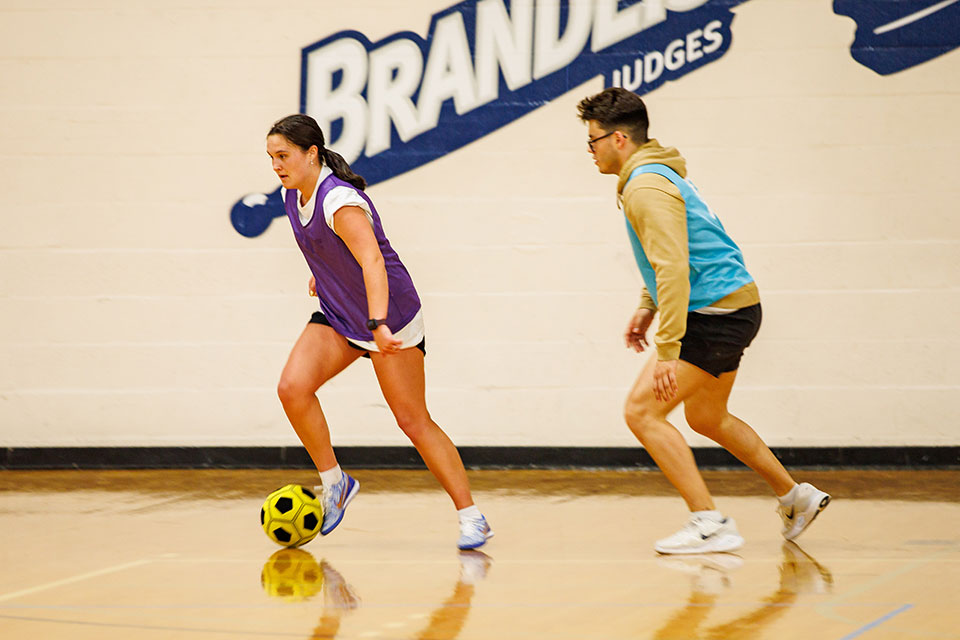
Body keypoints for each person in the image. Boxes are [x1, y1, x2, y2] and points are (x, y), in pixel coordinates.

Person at [576, 88, 830, 554]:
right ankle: (796, 497)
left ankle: (709, 523)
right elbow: (674, 256)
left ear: (617, 139)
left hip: (714, 312)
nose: (588, 152)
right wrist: (646, 305)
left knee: (641, 412)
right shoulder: (655, 174)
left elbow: (673, 267)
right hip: (734, 305)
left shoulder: (645, 187)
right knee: (707, 416)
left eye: (591, 142)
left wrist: (669, 350)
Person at [266, 114, 493, 550]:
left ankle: (472, 517)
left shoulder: (339, 201)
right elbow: (324, 248)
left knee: (412, 420)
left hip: (390, 317)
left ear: (311, 154)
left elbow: (371, 260)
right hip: (341, 314)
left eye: (283, 156)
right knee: (292, 388)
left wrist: (378, 323)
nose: (276, 166)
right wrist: (323, 274)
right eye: (271, 158)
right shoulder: (292, 194)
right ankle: (335, 483)